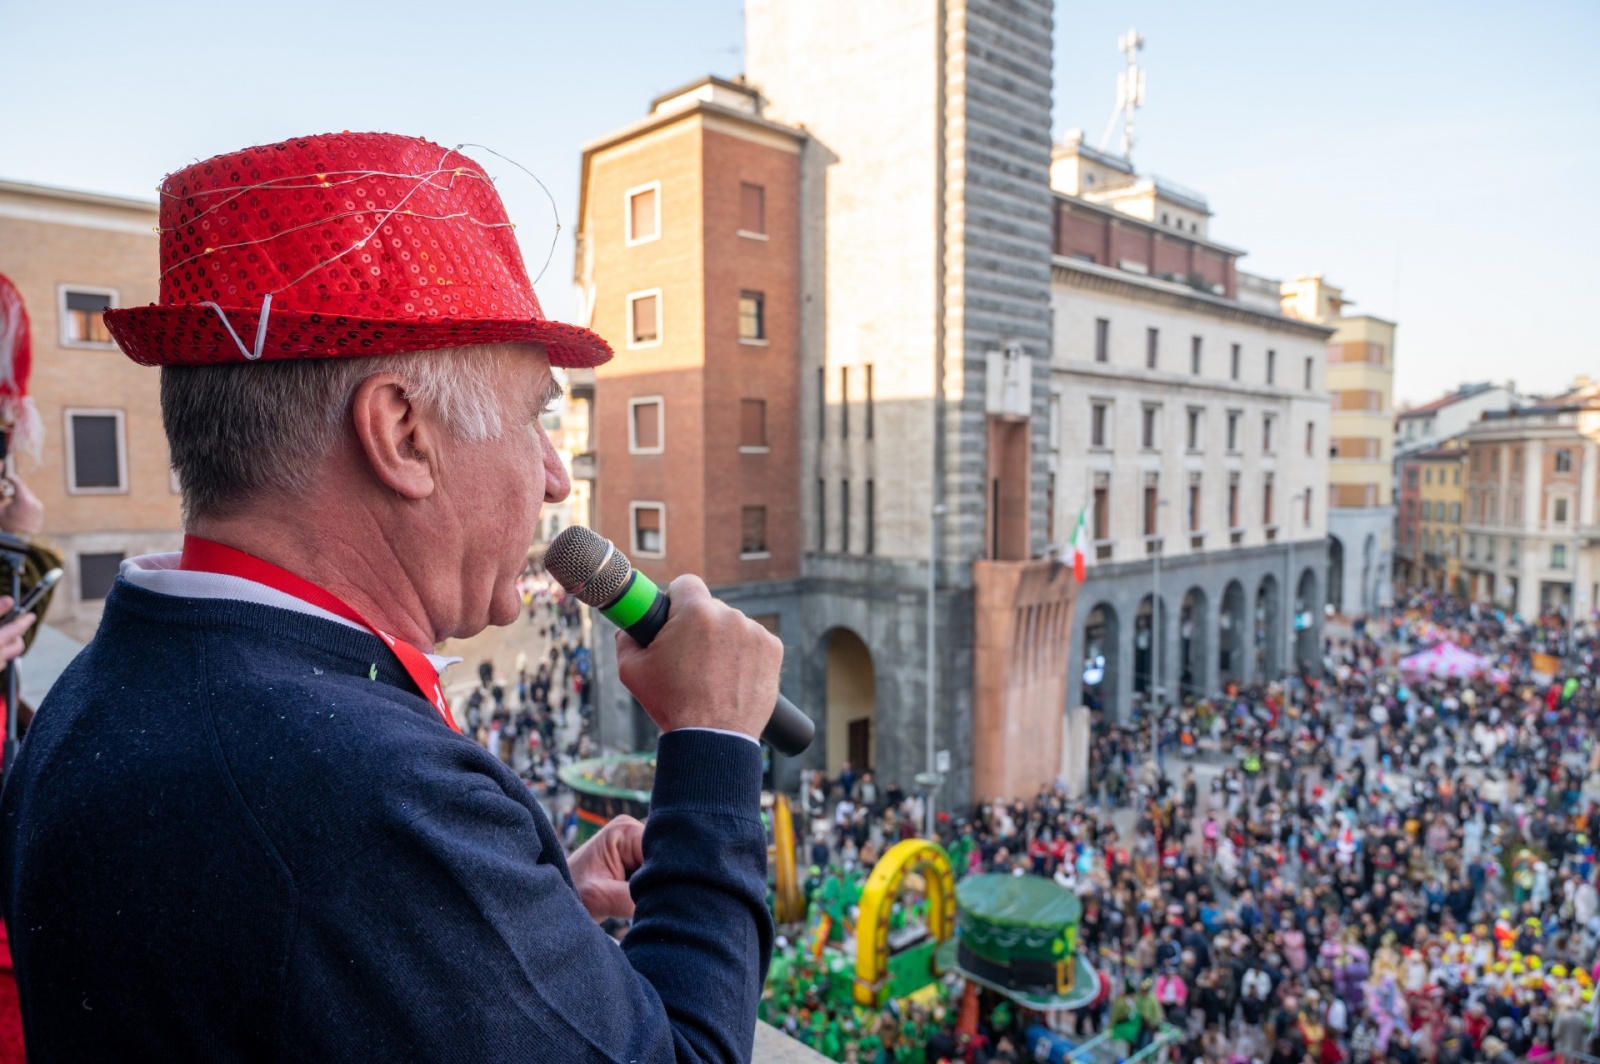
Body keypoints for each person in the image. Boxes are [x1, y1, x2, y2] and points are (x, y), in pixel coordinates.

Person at [0, 133, 782, 1062]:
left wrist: (504, 932)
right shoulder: (360, 792)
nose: (554, 479)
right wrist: (715, 746)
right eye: (536, 413)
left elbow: (286, 962)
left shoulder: (96, 692)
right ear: (402, 434)